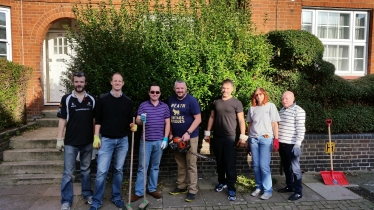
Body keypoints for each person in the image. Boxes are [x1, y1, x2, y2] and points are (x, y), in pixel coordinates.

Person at [89, 72, 136, 210]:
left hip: (122, 140)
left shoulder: (127, 101)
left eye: (119, 81)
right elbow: (98, 120)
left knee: (118, 170)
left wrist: (133, 126)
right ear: (111, 82)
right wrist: (96, 137)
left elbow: (130, 121)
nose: (117, 83)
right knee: (101, 171)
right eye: (115, 81)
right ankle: (97, 201)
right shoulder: (103, 99)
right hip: (107, 140)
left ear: (123, 83)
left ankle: (116, 197)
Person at [56, 72, 95, 210]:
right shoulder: (66, 99)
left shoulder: (91, 99)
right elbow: (62, 119)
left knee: (86, 170)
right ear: (73, 82)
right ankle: (66, 200)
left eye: (82, 81)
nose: (79, 84)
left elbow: (95, 120)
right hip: (71, 142)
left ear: (85, 83)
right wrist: (59, 139)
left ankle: (87, 194)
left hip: (87, 142)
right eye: (77, 81)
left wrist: (97, 137)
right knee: (68, 172)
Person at [204, 79, 247, 201]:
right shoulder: (216, 102)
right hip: (217, 137)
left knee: (230, 163)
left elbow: (241, 120)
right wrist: (207, 133)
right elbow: (212, 117)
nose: (225, 90)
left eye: (227, 88)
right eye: (223, 87)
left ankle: (231, 188)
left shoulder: (236, 103)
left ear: (232, 89)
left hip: (230, 138)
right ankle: (221, 182)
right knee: (220, 162)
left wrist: (242, 137)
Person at [131, 83, 170, 202]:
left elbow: (167, 123)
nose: (155, 94)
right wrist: (140, 120)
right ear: (149, 93)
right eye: (152, 92)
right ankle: (139, 192)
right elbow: (137, 120)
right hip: (145, 141)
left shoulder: (165, 107)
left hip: (159, 142)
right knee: (143, 167)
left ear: (160, 94)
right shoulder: (143, 105)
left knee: (155, 167)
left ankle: (152, 189)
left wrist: (165, 138)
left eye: (157, 92)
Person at [168, 80, 201, 202]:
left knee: (191, 164)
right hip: (176, 138)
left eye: (182, 88)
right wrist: (171, 133)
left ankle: (192, 190)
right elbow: (169, 118)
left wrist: (188, 133)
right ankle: (182, 186)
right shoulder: (171, 100)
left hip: (190, 138)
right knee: (180, 163)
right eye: (177, 88)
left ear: (186, 88)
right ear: (174, 89)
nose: (180, 90)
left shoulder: (192, 100)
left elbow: (198, 119)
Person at [246, 88, 281, 200]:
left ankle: (268, 190)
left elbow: (275, 124)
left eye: (260, 94)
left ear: (264, 95)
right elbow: (250, 124)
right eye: (256, 95)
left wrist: (276, 139)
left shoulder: (271, 106)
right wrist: (248, 140)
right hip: (253, 139)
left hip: (266, 139)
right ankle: (258, 187)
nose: (258, 97)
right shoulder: (252, 108)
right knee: (256, 165)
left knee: (264, 165)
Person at [277, 91, 306, 201]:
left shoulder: (298, 111)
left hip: (292, 145)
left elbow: (301, 129)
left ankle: (298, 192)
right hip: (282, 144)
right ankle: (290, 186)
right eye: (283, 98)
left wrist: (298, 144)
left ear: (293, 99)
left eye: (286, 98)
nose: (284, 100)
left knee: (295, 169)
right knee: (286, 168)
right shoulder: (281, 111)